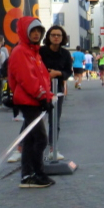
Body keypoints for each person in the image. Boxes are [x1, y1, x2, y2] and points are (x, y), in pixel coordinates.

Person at [8, 17, 56, 188]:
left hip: (33, 99)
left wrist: (47, 96)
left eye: (39, 31)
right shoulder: (21, 51)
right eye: (33, 31)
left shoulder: (32, 51)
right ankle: (36, 173)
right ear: (25, 32)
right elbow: (27, 78)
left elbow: (42, 77)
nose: (36, 34)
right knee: (40, 139)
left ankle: (28, 175)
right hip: (29, 100)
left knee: (30, 139)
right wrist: (43, 97)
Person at [39, 25, 72, 160]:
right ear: (48, 37)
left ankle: (53, 149)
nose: (56, 37)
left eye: (59, 35)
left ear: (63, 38)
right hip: (39, 89)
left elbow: (68, 72)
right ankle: (20, 148)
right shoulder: (41, 51)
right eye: (53, 35)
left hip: (56, 90)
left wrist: (58, 73)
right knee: (33, 119)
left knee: (55, 120)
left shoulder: (65, 54)